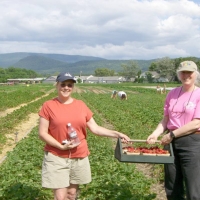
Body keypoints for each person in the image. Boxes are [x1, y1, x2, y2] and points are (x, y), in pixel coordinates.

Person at [38, 72, 130, 200]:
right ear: (57, 85)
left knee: (71, 194)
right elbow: (42, 133)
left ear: (73, 87)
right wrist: (60, 146)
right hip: (56, 155)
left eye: (69, 85)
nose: (66, 88)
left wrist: (117, 134)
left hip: (79, 155)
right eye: (63, 84)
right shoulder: (48, 105)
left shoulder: (80, 105)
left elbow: (95, 128)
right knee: (60, 197)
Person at [146, 61, 200, 200]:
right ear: (178, 74)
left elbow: (196, 123)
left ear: (196, 74)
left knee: (193, 186)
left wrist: (172, 134)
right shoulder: (172, 93)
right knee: (172, 185)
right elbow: (165, 120)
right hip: (170, 142)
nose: (186, 75)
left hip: (192, 142)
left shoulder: (199, 94)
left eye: (190, 72)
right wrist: (155, 133)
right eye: (183, 72)